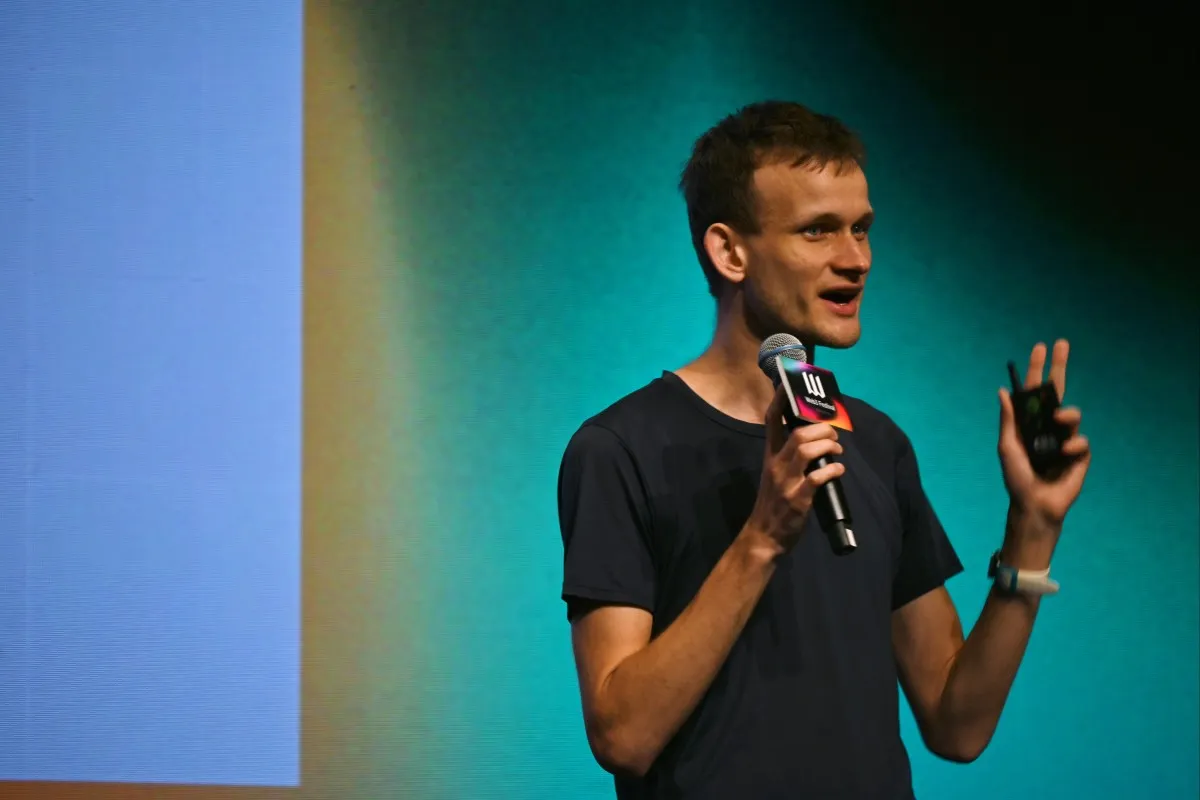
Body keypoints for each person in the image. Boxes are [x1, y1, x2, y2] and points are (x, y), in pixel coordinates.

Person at [555, 100, 1092, 798]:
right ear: (729, 252)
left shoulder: (876, 443)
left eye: (861, 229)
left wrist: (1033, 527)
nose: (855, 259)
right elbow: (623, 737)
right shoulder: (620, 449)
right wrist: (762, 538)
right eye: (818, 231)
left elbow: (957, 724)